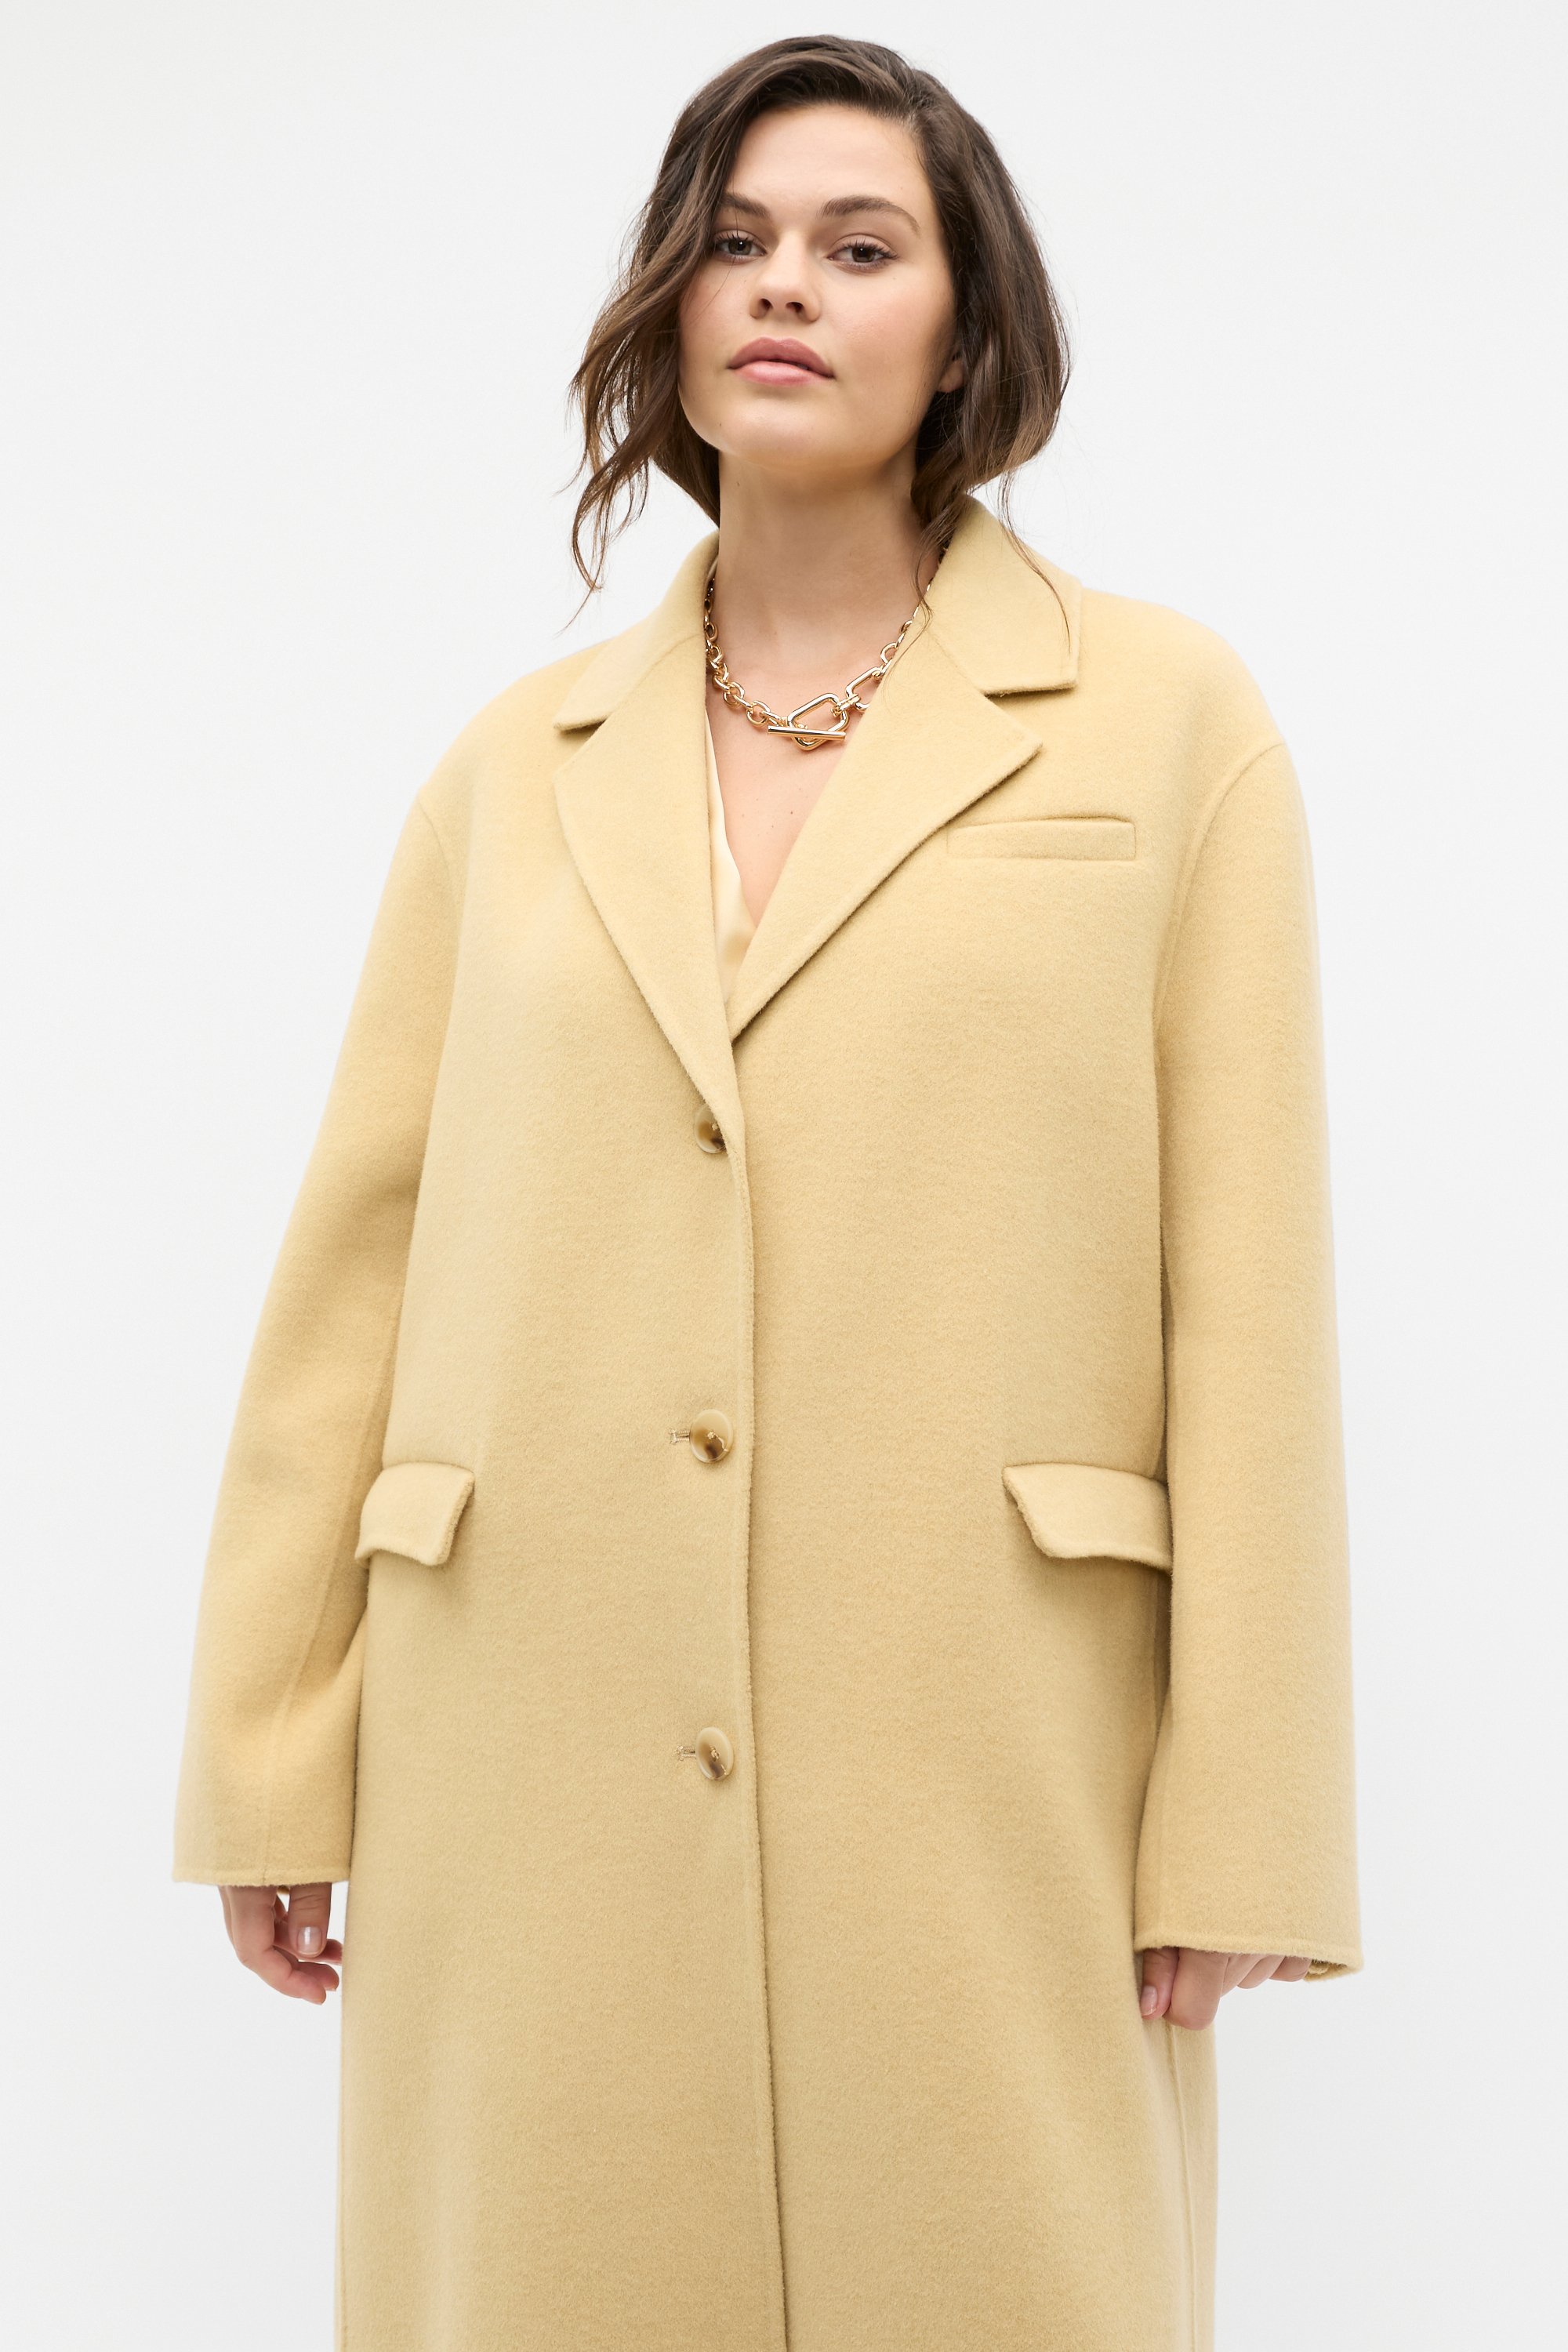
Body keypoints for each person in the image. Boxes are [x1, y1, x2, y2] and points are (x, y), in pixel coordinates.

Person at [173, 34, 1360, 2351]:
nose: (783, 286)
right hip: (527, 1725)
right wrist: (269, 1749)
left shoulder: (1162, 725)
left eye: (858, 243)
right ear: (671, 305)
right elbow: (358, 1269)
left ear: (967, 325)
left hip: (989, 1733)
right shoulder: (516, 768)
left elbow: (1252, 1291)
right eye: (733, 241)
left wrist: (1250, 1814)